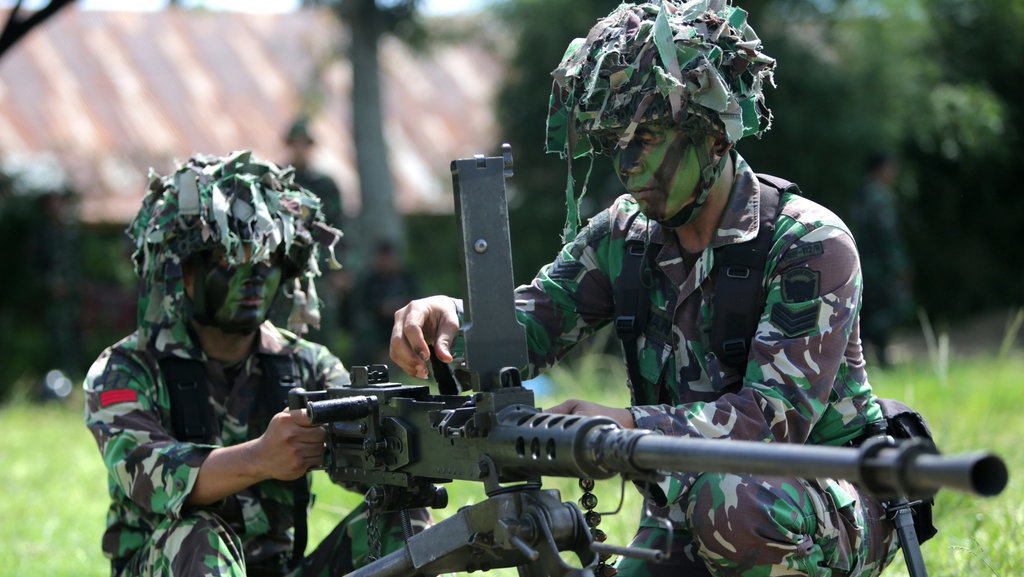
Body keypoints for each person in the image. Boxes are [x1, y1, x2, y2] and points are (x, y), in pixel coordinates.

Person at [391, 2, 898, 576]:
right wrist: (452, 319)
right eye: (613, 141)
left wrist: (624, 425)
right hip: (684, 513)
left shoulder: (809, 244)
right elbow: (535, 321)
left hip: (816, 501)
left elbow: (770, 421)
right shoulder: (623, 234)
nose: (628, 166)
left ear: (711, 134)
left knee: (730, 505)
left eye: (648, 136)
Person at [84, 151, 427, 577]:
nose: (251, 279)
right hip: (172, 561)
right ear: (185, 273)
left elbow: (373, 464)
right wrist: (262, 458)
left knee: (406, 523)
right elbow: (149, 475)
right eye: (229, 262)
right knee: (198, 534)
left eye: (265, 261)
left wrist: (419, 445)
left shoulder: (307, 364)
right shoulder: (127, 368)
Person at [282, 117, 349, 348]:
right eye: (295, 143)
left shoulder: (325, 184)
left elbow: (340, 228)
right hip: (284, 268)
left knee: (321, 328)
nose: (300, 148)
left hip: (319, 269)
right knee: (283, 330)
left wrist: (342, 268)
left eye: (305, 143)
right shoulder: (280, 181)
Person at [849, 152, 913, 367]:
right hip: (881, 266)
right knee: (889, 309)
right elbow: (887, 236)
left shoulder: (861, 193)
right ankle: (879, 356)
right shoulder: (879, 197)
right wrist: (900, 266)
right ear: (881, 169)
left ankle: (864, 354)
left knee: (867, 310)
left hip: (862, 261)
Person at [350, 240, 421, 366]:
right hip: (378, 325)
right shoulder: (370, 281)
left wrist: (398, 305)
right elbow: (363, 305)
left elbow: (418, 299)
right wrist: (381, 308)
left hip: (404, 320)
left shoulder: (407, 277)